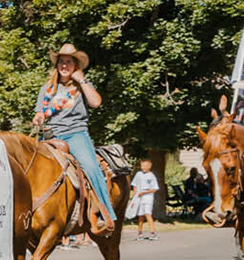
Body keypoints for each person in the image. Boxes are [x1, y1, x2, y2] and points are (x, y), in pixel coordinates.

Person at [29, 43, 116, 235]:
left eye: (68, 62)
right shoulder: (47, 89)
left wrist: (82, 80)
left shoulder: (82, 87)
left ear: (76, 65)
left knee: (91, 167)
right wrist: (38, 117)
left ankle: (105, 214)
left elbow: (95, 103)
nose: (64, 66)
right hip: (50, 136)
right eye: (61, 62)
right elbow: (39, 113)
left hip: (75, 134)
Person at [129, 159, 161, 239]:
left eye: (144, 166)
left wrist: (144, 192)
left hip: (148, 197)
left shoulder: (151, 176)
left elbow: (154, 188)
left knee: (148, 214)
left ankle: (152, 233)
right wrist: (134, 194)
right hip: (139, 197)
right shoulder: (138, 174)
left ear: (149, 166)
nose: (142, 167)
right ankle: (140, 233)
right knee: (140, 216)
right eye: (141, 166)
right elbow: (134, 185)